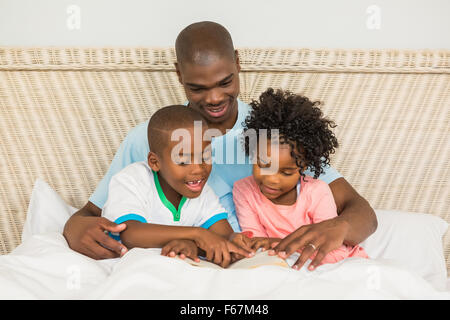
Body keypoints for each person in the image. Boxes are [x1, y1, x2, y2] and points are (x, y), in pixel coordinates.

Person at [63, 21, 377, 270]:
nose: (213, 98)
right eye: (197, 87)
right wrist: (74, 228)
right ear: (178, 74)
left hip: (254, 260)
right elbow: (91, 213)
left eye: (225, 82)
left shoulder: (271, 133)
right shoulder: (154, 137)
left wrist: (339, 227)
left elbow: (362, 211)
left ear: (238, 63)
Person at [233, 88, 369, 270]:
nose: (272, 180)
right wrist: (274, 247)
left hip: (341, 265)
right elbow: (255, 245)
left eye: (286, 172)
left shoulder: (316, 192)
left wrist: (276, 244)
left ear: (303, 167)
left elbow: (333, 253)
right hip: (287, 267)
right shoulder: (244, 190)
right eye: (264, 166)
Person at [102, 105, 253, 267]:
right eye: (183, 161)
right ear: (155, 162)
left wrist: (233, 240)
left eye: (206, 157)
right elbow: (131, 234)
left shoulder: (203, 192)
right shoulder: (131, 180)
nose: (198, 169)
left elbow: (223, 236)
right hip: (129, 268)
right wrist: (196, 234)